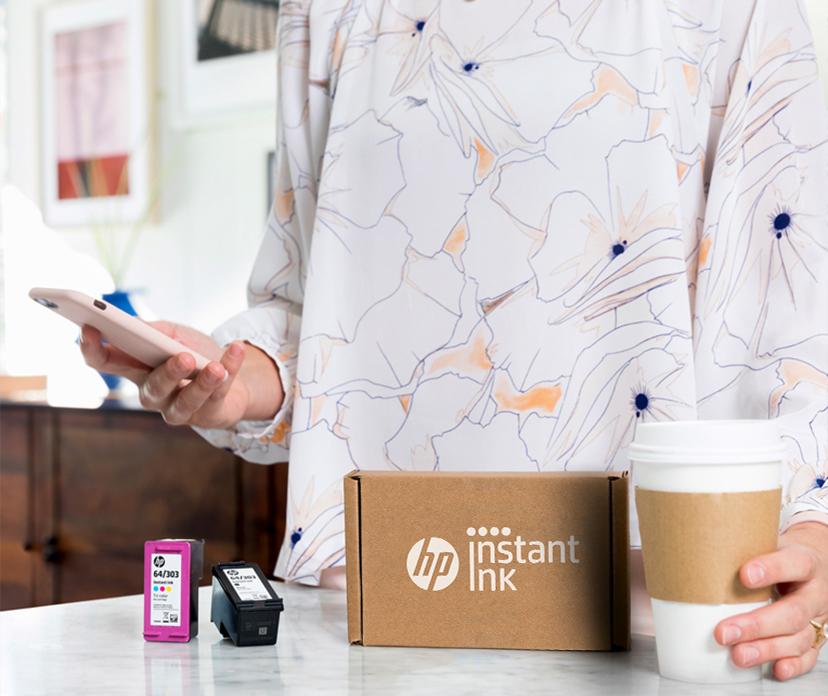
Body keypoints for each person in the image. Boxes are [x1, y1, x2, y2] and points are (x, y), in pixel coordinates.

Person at [81, 0, 828, 679]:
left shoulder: (737, 10)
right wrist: (237, 380)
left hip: (649, 628)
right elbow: (321, 319)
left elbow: (795, 329)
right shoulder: (325, 10)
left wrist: (816, 543)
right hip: (375, 615)